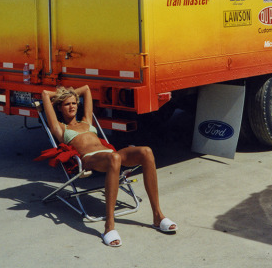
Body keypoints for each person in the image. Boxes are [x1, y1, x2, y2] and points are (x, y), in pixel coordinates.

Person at [41, 85, 177, 247]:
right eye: (66, 104)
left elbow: (86, 89)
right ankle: (109, 226)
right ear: (59, 108)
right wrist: (61, 95)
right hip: (90, 159)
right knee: (114, 157)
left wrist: (69, 94)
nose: (71, 106)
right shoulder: (60, 128)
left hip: (110, 155)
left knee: (146, 152)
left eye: (74, 103)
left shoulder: (86, 121)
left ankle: (157, 216)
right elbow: (44, 94)